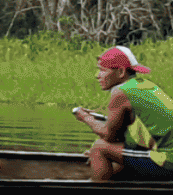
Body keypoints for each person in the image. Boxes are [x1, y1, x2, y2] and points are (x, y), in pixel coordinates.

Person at [73, 45, 173, 181]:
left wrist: (84, 117)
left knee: (99, 148)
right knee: (112, 155)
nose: (98, 76)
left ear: (120, 72)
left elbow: (108, 136)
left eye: (102, 70)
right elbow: (119, 136)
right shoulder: (144, 85)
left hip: (167, 161)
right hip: (165, 156)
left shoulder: (121, 91)